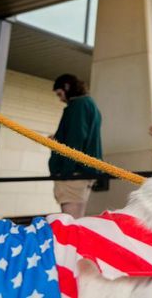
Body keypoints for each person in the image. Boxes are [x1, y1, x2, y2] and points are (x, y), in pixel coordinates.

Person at [49, 74, 103, 219]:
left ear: (67, 88)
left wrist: (65, 171)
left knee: (71, 222)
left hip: (73, 173)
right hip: (83, 171)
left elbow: (76, 139)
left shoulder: (78, 106)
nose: (60, 99)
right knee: (76, 219)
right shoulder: (89, 105)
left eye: (60, 94)